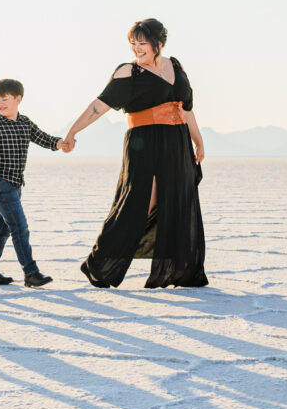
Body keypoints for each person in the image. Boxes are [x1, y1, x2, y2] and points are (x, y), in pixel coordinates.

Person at [63, 19, 207, 289]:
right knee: (140, 202)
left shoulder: (175, 66)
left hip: (177, 143)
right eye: (133, 44)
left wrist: (198, 141)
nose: (137, 49)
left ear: (158, 44)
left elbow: (186, 108)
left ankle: (182, 270)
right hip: (145, 142)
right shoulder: (128, 72)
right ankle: (99, 265)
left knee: (179, 199)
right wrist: (73, 132)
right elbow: (99, 105)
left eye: (143, 44)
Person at [0, 78, 68, 288]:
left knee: (3, 227)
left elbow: (43, 138)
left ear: (18, 99)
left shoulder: (25, 122)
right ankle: (31, 272)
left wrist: (61, 143)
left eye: (4, 99)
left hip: (16, 184)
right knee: (19, 227)